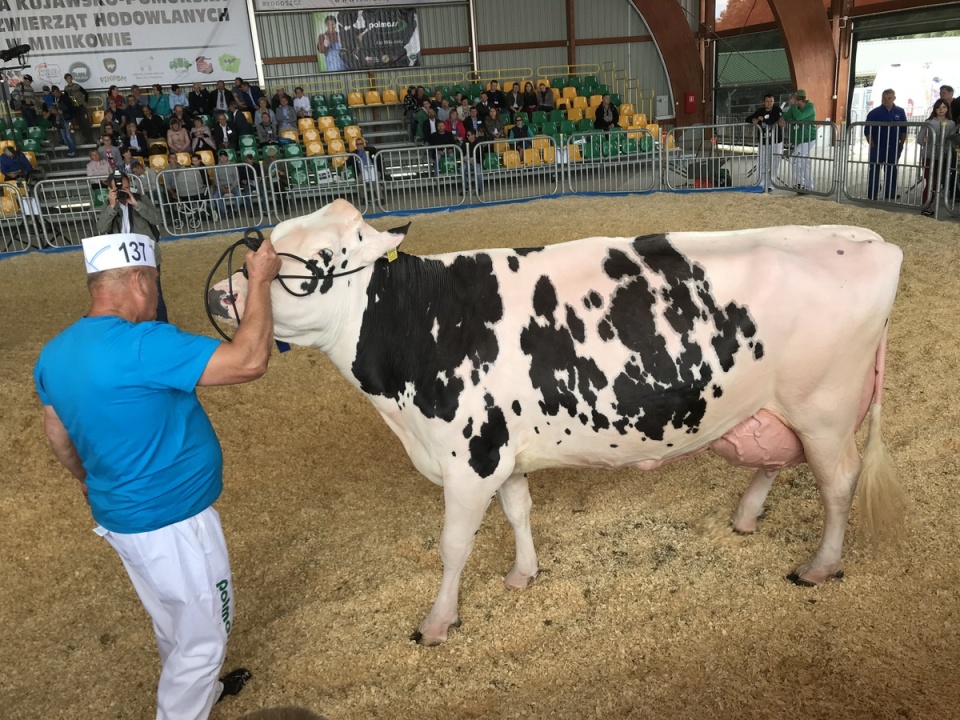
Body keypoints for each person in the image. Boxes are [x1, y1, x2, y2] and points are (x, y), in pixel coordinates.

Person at [33, 221, 281, 718]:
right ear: (140, 281)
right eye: (155, 284)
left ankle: (202, 692)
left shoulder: (54, 353)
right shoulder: (144, 344)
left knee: (173, 620)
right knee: (205, 639)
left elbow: (58, 434)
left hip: (123, 519)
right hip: (174, 523)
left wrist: (88, 480)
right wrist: (259, 280)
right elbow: (250, 360)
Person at [864, 88, 907, 202]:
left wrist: (900, 145)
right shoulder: (874, 113)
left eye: (889, 98)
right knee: (875, 169)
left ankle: (890, 193)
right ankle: (872, 193)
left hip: (893, 146)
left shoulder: (900, 112)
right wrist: (872, 145)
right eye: (884, 98)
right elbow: (867, 131)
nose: (886, 100)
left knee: (892, 169)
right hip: (878, 146)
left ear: (894, 98)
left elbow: (904, 130)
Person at [917, 98, 955, 217]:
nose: (941, 110)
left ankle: (932, 204)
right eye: (938, 107)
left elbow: (952, 140)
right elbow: (919, 138)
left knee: (938, 183)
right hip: (929, 156)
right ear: (935, 109)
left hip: (944, 157)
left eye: (944, 107)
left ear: (947, 109)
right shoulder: (928, 122)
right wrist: (924, 140)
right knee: (930, 182)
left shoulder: (951, 123)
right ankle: (926, 205)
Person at [779, 89, 817, 194]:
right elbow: (786, 116)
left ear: (798, 100)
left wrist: (793, 106)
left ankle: (800, 183)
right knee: (804, 162)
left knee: (794, 158)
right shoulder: (794, 108)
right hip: (798, 140)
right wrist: (782, 118)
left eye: (794, 99)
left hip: (808, 139)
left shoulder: (810, 107)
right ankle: (808, 186)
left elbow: (799, 117)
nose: (791, 100)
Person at [746, 93, 783, 193]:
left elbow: (773, 120)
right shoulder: (760, 111)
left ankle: (771, 184)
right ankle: (760, 183)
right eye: (767, 101)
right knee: (761, 162)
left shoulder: (777, 110)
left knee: (774, 162)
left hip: (775, 141)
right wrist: (753, 119)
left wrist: (763, 119)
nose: (769, 103)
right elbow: (748, 118)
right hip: (763, 141)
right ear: (764, 102)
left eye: (771, 101)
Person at [43, 85, 78, 157]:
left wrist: (63, 111)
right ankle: (70, 150)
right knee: (65, 138)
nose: (56, 94)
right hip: (61, 121)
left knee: (69, 136)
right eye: (54, 93)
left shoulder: (65, 98)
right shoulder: (55, 100)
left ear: (59, 91)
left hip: (69, 120)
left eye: (56, 92)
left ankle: (74, 151)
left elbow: (72, 109)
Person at [63, 72, 95, 144]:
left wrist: (85, 101)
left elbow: (86, 93)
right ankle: (86, 138)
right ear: (66, 80)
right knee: (80, 124)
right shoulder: (66, 88)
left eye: (69, 78)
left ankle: (91, 138)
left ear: (72, 78)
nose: (69, 80)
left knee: (86, 122)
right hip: (74, 108)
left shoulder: (77, 86)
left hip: (81, 106)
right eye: (67, 79)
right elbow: (65, 98)